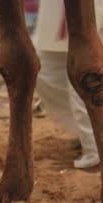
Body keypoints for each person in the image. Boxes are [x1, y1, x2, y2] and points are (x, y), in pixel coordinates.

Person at [34, 0, 102, 169]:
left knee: (85, 78)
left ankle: (95, 151)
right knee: (41, 68)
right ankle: (88, 136)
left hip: (93, 14)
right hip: (54, 15)